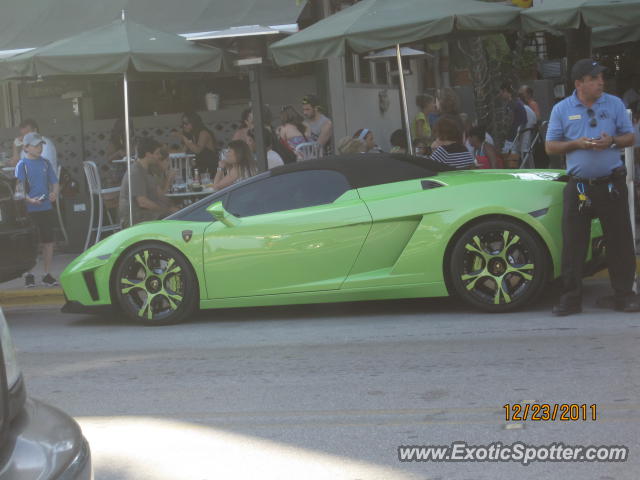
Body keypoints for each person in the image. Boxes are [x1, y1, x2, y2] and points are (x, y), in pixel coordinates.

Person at [546, 58, 638, 316]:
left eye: (601, 77)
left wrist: (612, 141)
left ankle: (624, 295)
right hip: (580, 187)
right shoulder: (562, 109)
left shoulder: (615, 103)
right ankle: (570, 298)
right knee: (574, 243)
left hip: (610, 183)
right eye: (594, 78)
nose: (601, 82)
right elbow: (550, 146)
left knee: (619, 240)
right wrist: (577, 144)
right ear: (579, 83)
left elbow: (630, 137)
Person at [14, 132, 59, 287]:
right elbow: (19, 190)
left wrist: (54, 193)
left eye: (40, 145)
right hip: (29, 210)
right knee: (30, 243)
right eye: (35, 145)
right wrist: (30, 200)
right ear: (26, 148)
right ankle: (29, 274)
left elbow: (55, 182)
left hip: (46, 207)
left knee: (48, 241)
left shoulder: (45, 163)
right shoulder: (22, 165)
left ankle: (47, 273)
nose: (39, 148)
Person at [119, 137, 176, 227]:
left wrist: (173, 207)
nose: (159, 156)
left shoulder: (148, 170)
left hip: (147, 214)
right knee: (174, 218)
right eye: (157, 153)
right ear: (148, 154)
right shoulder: (136, 172)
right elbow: (142, 202)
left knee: (179, 213)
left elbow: (160, 195)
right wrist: (165, 210)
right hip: (136, 218)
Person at [500, 82, 527, 153]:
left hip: (512, 137)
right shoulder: (518, 102)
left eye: (502, 93)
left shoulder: (512, 104)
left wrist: (503, 133)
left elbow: (509, 121)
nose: (501, 95)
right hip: (519, 136)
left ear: (505, 91)